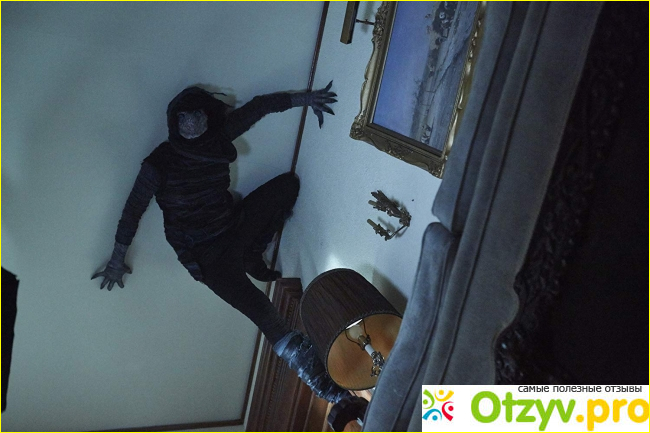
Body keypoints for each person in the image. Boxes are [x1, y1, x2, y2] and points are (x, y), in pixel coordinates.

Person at [92, 82, 348, 403]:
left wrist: (307, 99)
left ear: (207, 115)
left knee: (286, 186)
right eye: (183, 117)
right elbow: (133, 210)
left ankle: (252, 253)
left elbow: (259, 106)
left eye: (196, 115)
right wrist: (117, 259)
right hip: (206, 258)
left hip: (232, 225)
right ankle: (336, 396)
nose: (190, 123)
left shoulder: (219, 135)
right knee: (266, 315)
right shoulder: (159, 163)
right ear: (173, 122)